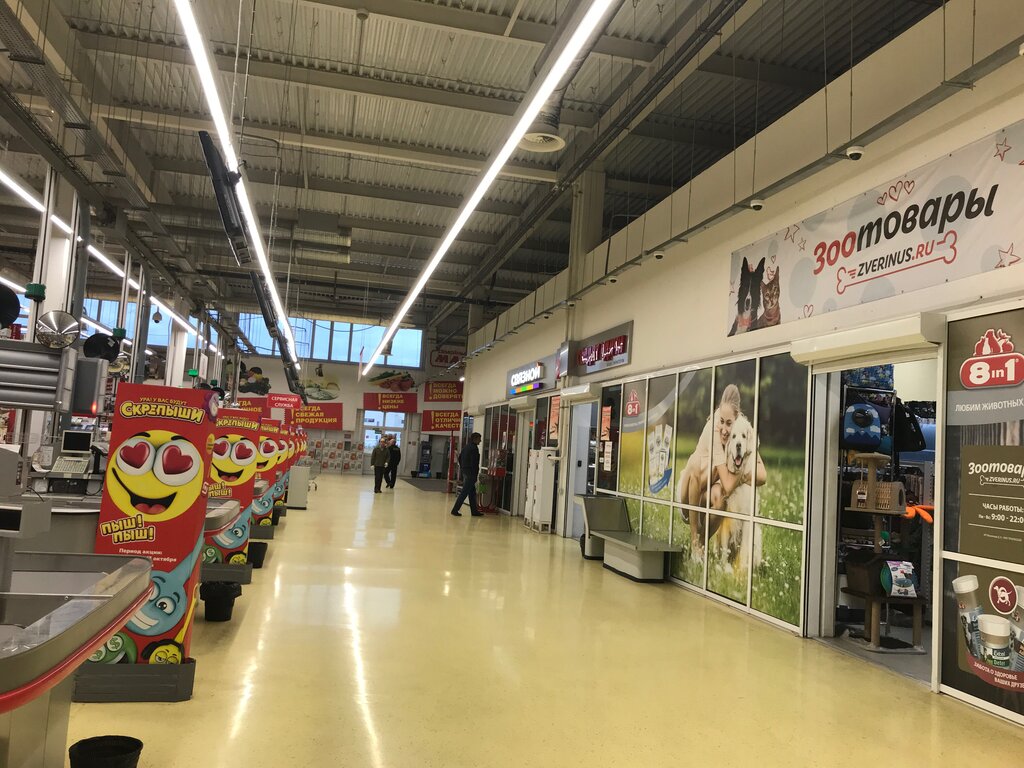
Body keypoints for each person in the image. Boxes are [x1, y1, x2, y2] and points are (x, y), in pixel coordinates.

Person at [450, 432, 483, 517]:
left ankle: (474, 511)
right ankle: (455, 510)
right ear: (475, 439)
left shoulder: (466, 447)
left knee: (472, 493)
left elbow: (460, 458)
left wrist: (463, 468)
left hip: (465, 472)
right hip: (471, 474)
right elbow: (474, 463)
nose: (480, 441)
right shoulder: (474, 448)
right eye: (479, 439)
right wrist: (475, 474)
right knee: (464, 492)